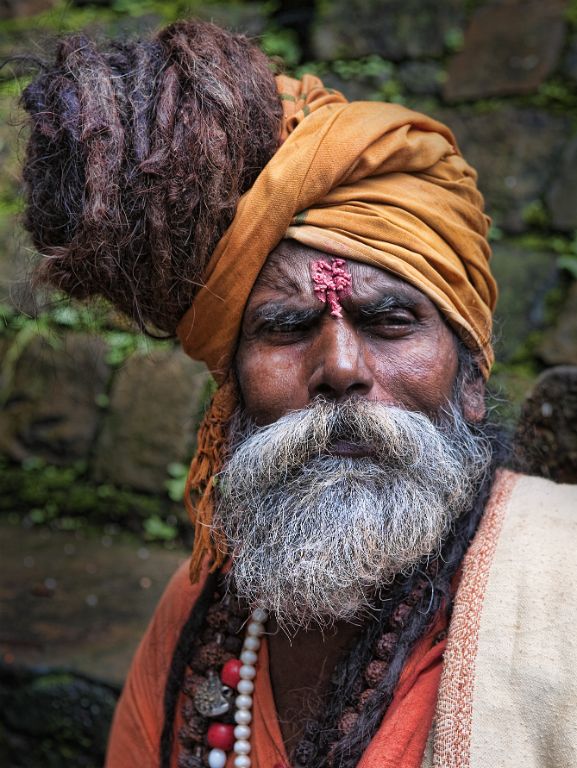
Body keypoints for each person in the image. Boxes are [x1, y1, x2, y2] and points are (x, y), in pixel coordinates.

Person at [18, 19, 577, 768]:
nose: (340, 367)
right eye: (285, 327)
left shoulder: (560, 586)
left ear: (471, 379)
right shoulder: (197, 615)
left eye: (388, 321)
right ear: (231, 390)